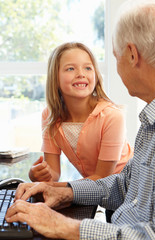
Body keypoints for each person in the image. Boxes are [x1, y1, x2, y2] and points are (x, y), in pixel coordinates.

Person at [5, 0, 155, 239]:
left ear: (131, 55)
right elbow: (125, 185)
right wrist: (66, 192)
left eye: (116, 57)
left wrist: (64, 226)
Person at [28, 42, 133, 186]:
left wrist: (51, 187)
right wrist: (38, 175)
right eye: (70, 68)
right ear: (55, 77)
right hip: (98, 193)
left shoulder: (112, 116)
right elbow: (53, 174)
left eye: (88, 68)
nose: (81, 74)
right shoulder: (50, 115)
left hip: (129, 192)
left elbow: (102, 179)